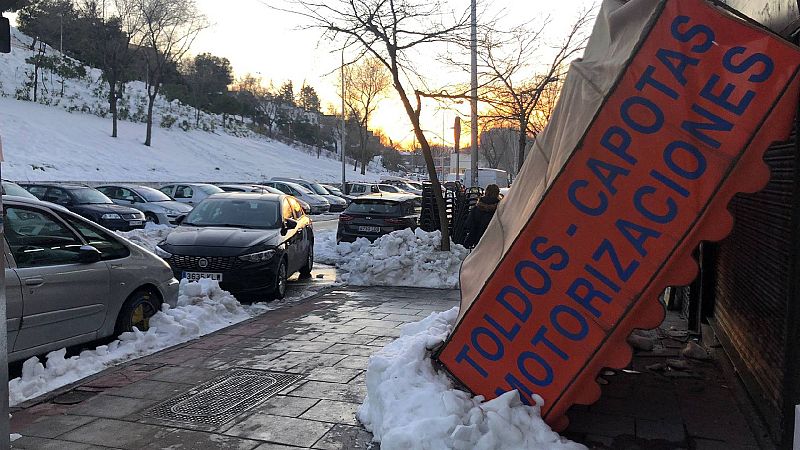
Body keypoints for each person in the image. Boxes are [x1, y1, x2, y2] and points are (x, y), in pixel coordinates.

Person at [464, 184, 501, 248]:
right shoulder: (500, 209)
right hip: (496, 242)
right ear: (497, 193)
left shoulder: (477, 208)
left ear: (486, 192)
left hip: (479, 241)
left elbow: (468, 225)